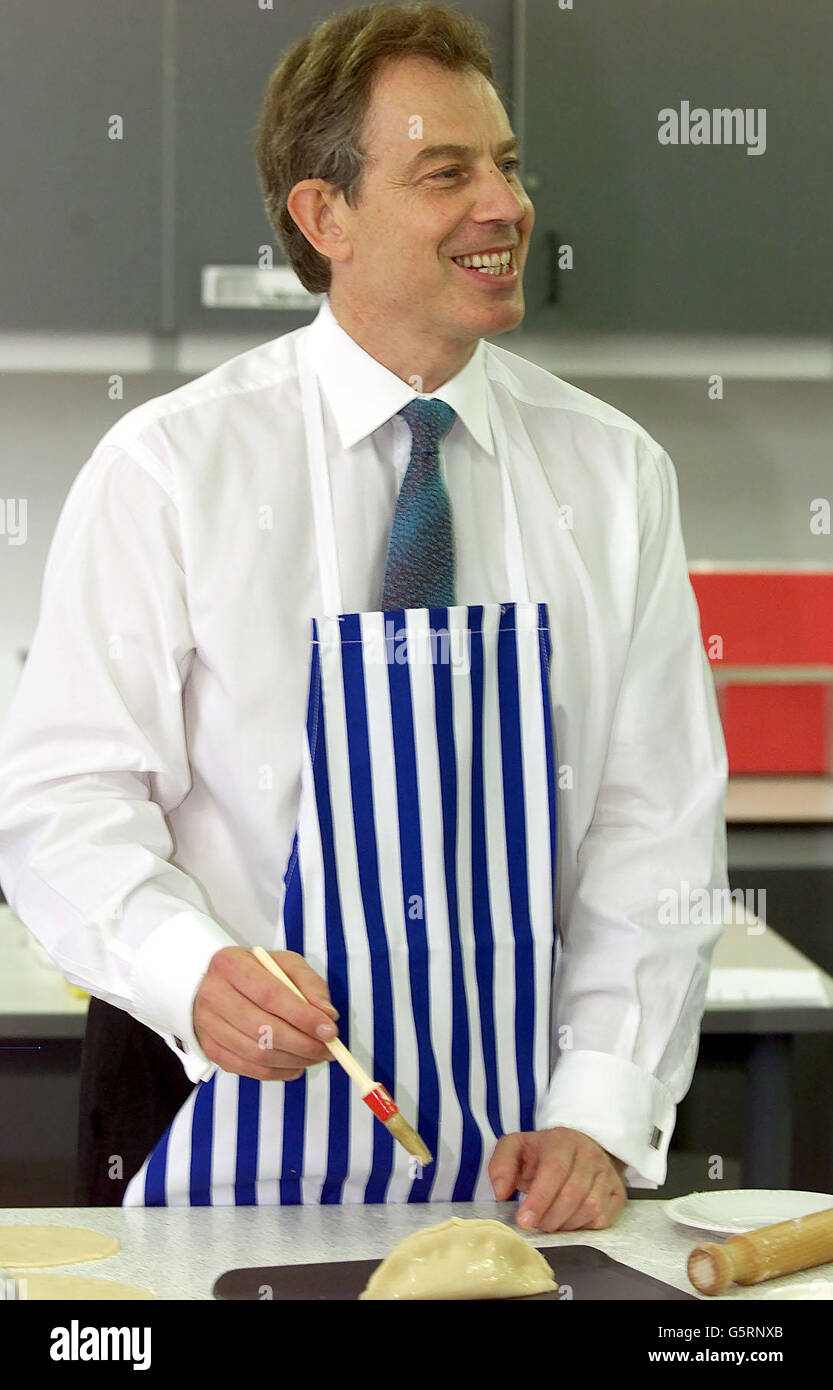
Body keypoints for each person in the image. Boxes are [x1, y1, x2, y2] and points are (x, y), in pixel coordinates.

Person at [0, 2, 728, 1229]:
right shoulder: (170, 468)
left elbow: (652, 827)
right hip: (204, 1126)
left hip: (517, 1152)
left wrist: (599, 1112)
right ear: (322, 216)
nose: (502, 204)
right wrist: (193, 972)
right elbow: (60, 806)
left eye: (504, 164)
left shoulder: (614, 477)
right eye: (445, 172)